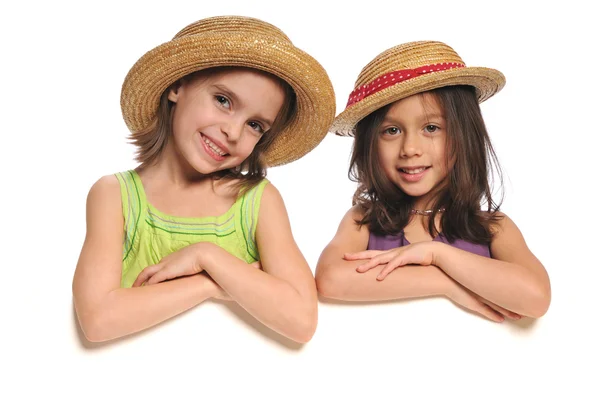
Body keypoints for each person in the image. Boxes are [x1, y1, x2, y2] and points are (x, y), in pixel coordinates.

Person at [72, 16, 335, 343]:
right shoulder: (114, 195)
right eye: (223, 101)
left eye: (255, 125)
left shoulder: (257, 201)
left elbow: (302, 321)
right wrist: (210, 281)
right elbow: (97, 319)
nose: (233, 132)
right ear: (176, 86)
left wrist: (206, 255)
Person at [316, 41, 550, 322]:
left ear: (464, 135)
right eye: (391, 130)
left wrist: (438, 254)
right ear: (369, 145)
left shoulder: (493, 227)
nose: (410, 148)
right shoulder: (364, 221)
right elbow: (330, 280)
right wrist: (445, 283)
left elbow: (536, 297)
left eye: (431, 128)